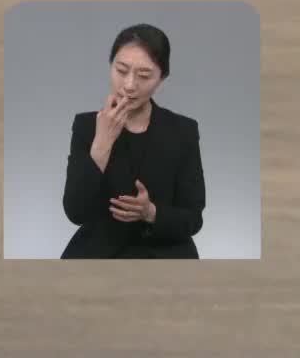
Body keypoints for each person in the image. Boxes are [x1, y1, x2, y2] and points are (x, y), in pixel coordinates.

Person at [61, 24, 206, 258]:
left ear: (162, 78)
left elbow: (193, 218)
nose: (129, 85)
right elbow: (75, 212)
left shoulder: (183, 131)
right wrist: (102, 142)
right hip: (99, 254)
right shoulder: (86, 126)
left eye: (144, 75)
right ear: (111, 67)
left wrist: (151, 213)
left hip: (165, 255)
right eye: (121, 70)